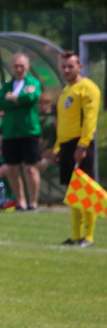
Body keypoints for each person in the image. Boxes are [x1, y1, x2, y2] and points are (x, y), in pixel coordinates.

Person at [52, 50, 102, 247]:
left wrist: (83, 145)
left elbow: (90, 119)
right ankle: (75, 235)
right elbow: (64, 122)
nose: (66, 70)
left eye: (70, 66)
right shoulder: (66, 90)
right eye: (63, 66)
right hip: (66, 146)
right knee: (71, 190)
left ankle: (88, 236)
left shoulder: (88, 88)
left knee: (85, 189)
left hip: (80, 145)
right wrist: (58, 147)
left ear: (79, 66)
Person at [0, 53, 42, 210]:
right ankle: (20, 201)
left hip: (29, 131)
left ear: (27, 66)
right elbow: (1, 103)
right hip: (10, 132)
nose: (19, 68)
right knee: (11, 168)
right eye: (16, 65)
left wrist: (14, 99)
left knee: (30, 168)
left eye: (21, 65)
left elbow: (31, 98)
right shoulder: (7, 86)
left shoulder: (33, 82)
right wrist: (18, 99)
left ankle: (33, 201)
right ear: (11, 67)